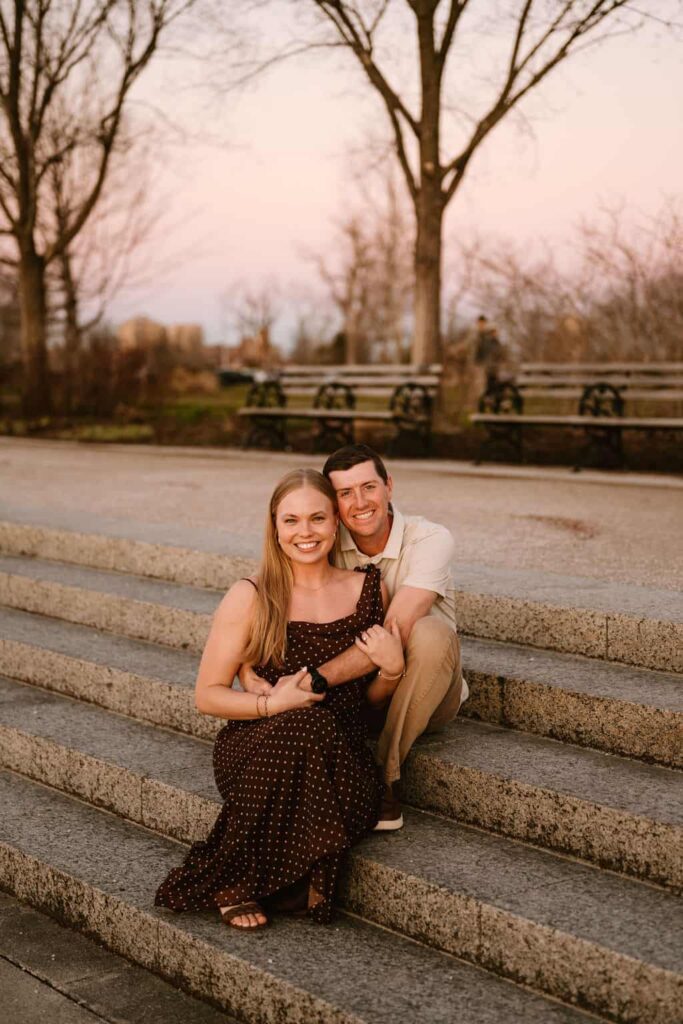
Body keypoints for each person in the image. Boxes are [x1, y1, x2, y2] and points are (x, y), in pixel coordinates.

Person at [155, 469, 403, 930]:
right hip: (259, 746)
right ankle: (258, 878)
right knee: (299, 723)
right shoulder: (251, 595)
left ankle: (237, 879)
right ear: (274, 526)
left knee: (313, 724)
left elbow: (369, 706)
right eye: (291, 521)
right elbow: (207, 696)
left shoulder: (368, 588)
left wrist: (391, 670)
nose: (304, 532)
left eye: (316, 519)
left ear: (336, 523)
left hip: (340, 757)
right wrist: (273, 705)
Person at [321, 444, 468, 829]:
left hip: (425, 689)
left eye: (368, 487)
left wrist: (315, 680)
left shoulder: (430, 538)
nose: (360, 502)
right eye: (345, 493)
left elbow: (392, 635)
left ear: (389, 486)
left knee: (429, 633)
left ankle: (384, 779)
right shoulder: (324, 543)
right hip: (355, 689)